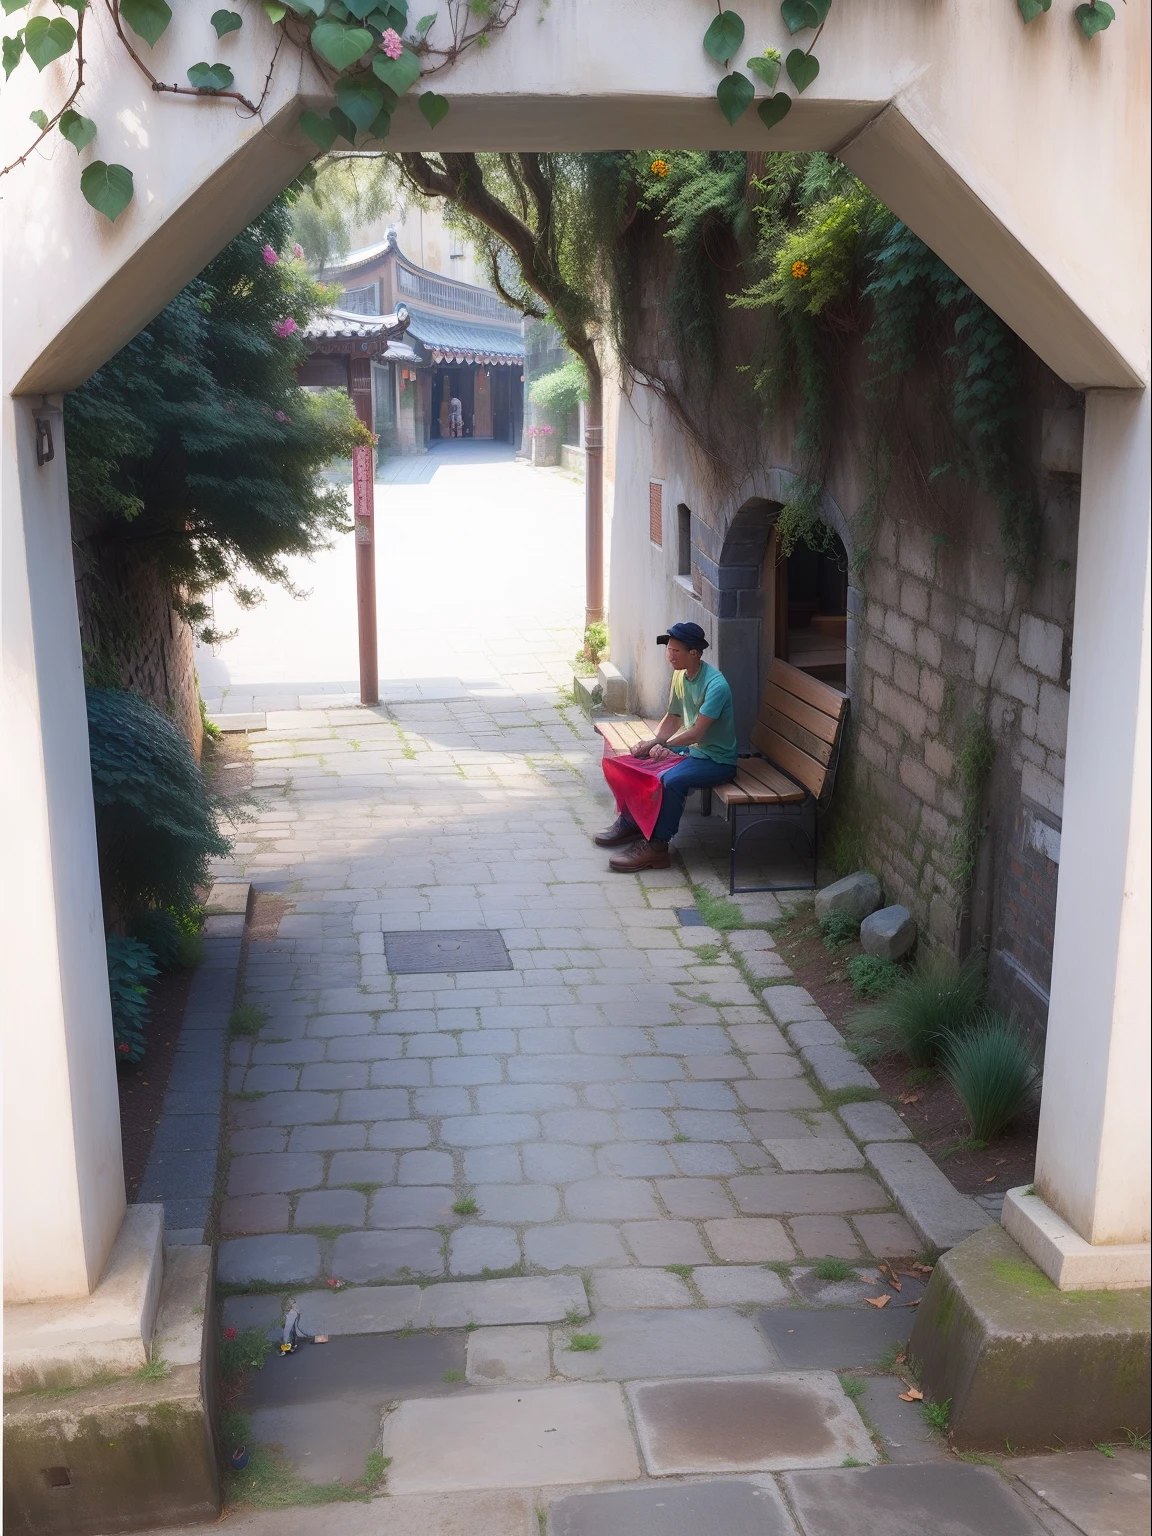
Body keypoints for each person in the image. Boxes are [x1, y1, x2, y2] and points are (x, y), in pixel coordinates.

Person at [595, 621, 738, 872]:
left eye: (676, 651)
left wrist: (668, 747)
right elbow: (673, 717)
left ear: (694, 653)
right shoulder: (681, 675)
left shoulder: (716, 685)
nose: (669, 656)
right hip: (693, 751)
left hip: (716, 760)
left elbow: (696, 732)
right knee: (633, 764)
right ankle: (632, 823)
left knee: (669, 780)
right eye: (668, 649)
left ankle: (658, 847)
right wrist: (653, 743)